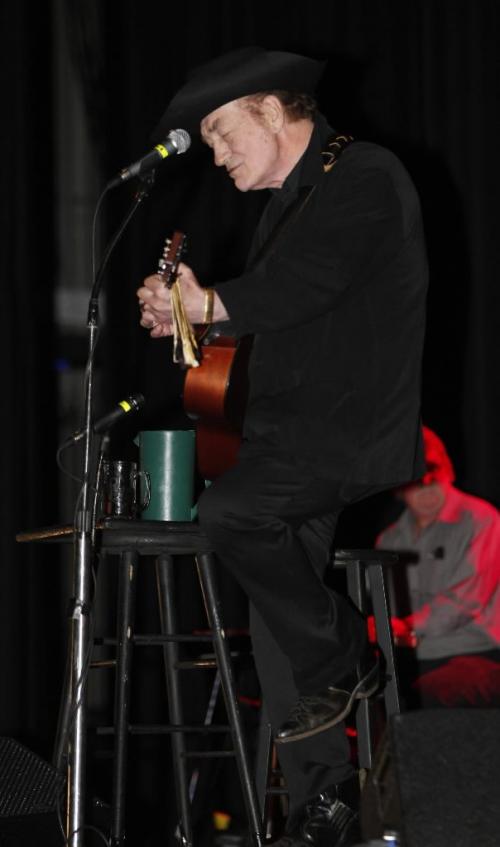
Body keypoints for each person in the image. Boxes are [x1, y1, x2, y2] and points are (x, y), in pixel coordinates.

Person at [137, 46, 428, 847]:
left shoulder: (365, 175)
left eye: (224, 132)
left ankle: (347, 655)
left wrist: (216, 299)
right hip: (288, 436)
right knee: (275, 617)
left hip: (341, 433)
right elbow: (283, 317)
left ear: (271, 108)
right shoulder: (291, 205)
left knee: (230, 512)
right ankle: (323, 801)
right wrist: (191, 320)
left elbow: (308, 284)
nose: (219, 154)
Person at [376, 426, 500, 709]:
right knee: (369, 697)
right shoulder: (389, 539)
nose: (427, 489)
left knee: (433, 693)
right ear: (398, 487)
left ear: (448, 471)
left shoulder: (482, 520)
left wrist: (405, 628)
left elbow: (465, 602)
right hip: (414, 657)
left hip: (479, 652)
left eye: (435, 476)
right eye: (417, 481)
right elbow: (389, 610)